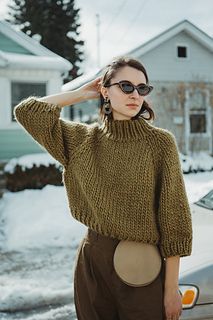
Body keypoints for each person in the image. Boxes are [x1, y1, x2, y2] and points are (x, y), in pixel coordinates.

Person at [13, 56, 193, 320]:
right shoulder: (81, 140)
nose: (135, 94)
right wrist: (82, 93)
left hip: (143, 266)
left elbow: (174, 219)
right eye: (126, 86)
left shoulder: (160, 144)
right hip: (93, 263)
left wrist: (170, 291)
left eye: (142, 88)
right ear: (105, 91)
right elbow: (27, 112)